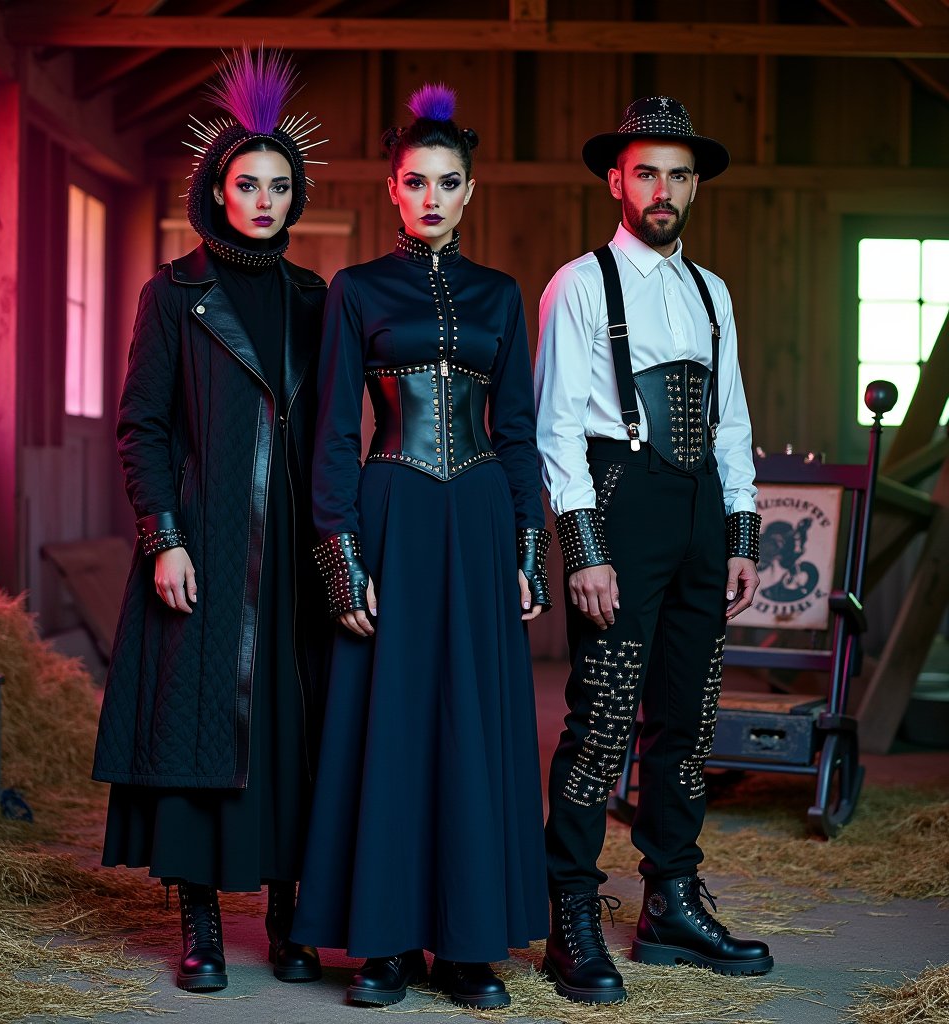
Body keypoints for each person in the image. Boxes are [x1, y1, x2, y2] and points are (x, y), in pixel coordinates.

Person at [291, 84, 550, 1012]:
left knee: (472, 724)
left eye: (449, 183)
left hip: (480, 517)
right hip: (392, 507)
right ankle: (387, 944)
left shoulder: (500, 295)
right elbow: (330, 434)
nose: (432, 197)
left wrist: (529, 551)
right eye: (416, 182)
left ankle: (471, 947)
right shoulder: (356, 291)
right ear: (392, 191)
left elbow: (518, 431)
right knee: (387, 725)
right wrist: (339, 553)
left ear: (471, 191)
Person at [92, 46, 329, 993]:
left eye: (279, 185)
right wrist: (164, 535)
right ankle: (197, 927)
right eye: (248, 183)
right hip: (204, 548)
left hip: (296, 558)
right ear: (216, 190)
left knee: (287, 736)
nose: (264, 199)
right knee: (195, 736)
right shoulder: (173, 295)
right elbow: (139, 425)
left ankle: (287, 918)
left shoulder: (319, 300)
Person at [534, 96, 773, 1004]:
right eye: (646, 172)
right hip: (621, 505)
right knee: (600, 719)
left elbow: (732, 421)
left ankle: (670, 901)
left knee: (690, 716)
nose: (662, 189)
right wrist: (584, 548)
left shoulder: (714, 292)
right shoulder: (581, 282)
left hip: (701, 513)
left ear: (695, 185)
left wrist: (741, 533)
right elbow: (557, 429)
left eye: (678, 174)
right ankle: (570, 913)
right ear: (616, 180)